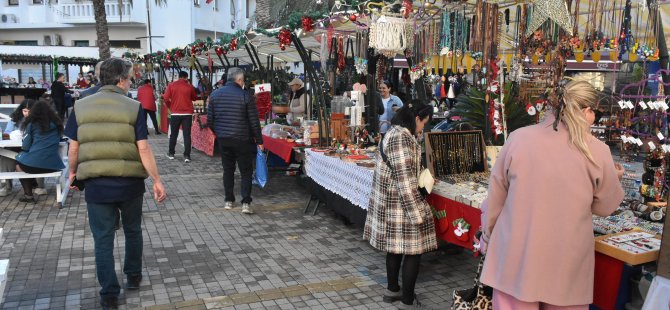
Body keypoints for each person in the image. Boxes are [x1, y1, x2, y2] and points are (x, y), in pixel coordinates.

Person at [479, 80, 625, 310]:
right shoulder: (597, 150)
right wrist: (615, 177)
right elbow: (605, 207)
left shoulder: (518, 138)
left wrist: (488, 236)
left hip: (516, 258)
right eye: (595, 112)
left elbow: (496, 196)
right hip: (567, 264)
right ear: (586, 111)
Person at [65, 57, 166, 310]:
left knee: (102, 239)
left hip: (97, 185)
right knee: (133, 230)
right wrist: (157, 180)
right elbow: (143, 148)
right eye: (130, 77)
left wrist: (73, 173)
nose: (131, 81)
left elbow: (74, 147)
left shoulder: (80, 106)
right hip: (129, 183)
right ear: (121, 80)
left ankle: (109, 293)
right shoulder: (134, 107)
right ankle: (133, 276)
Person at [363, 100, 436, 310]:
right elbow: (405, 182)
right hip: (399, 203)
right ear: (415, 119)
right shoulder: (401, 139)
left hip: (392, 202)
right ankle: (407, 300)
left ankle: (392, 290)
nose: (423, 128)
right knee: (413, 251)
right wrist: (418, 214)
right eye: (424, 123)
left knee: (394, 248)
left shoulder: (397, 133)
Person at [207, 67, 264, 215]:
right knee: (245, 171)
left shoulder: (214, 95)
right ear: (239, 80)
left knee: (228, 170)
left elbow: (210, 120)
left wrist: (219, 133)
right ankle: (245, 203)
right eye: (243, 80)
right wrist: (259, 140)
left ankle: (228, 200)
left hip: (224, 140)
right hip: (243, 139)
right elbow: (254, 122)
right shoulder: (246, 96)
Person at [14, 100, 65, 203]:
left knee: (18, 164)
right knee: (25, 161)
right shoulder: (57, 124)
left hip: (33, 165)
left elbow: (26, 147)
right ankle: (35, 184)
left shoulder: (31, 124)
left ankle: (28, 195)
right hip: (54, 165)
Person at [163, 71, 197, 162]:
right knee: (187, 135)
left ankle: (171, 153)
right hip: (187, 114)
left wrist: (170, 106)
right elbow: (195, 98)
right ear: (186, 78)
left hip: (175, 113)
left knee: (173, 134)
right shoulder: (189, 86)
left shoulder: (171, 85)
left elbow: (165, 98)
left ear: (179, 77)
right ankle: (187, 156)